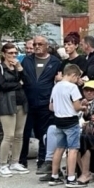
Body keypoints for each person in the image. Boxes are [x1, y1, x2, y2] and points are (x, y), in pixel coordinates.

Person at [19, 36, 62, 173]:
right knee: (25, 132)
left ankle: (43, 161)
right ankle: (21, 160)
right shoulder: (27, 60)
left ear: (46, 46)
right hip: (28, 101)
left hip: (45, 102)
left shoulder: (55, 62)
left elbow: (59, 81)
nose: (37, 46)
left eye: (40, 44)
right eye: (35, 44)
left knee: (44, 133)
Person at [39, 64, 86, 186]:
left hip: (58, 120)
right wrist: (83, 107)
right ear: (73, 75)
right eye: (77, 78)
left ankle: (54, 176)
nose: (77, 81)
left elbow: (51, 107)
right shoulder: (73, 87)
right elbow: (76, 107)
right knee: (73, 149)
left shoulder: (56, 87)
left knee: (59, 148)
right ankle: (71, 178)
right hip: (71, 120)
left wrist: (62, 108)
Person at [0, 43, 28, 176]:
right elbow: (2, 84)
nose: (13, 55)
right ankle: (3, 164)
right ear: (3, 54)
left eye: (15, 53)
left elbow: (27, 82)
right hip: (6, 103)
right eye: (10, 53)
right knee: (9, 135)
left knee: (19, 135)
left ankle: (15, 162)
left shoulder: (17, 67)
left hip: (21, 102)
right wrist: (18, 84)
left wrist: (20, 69)